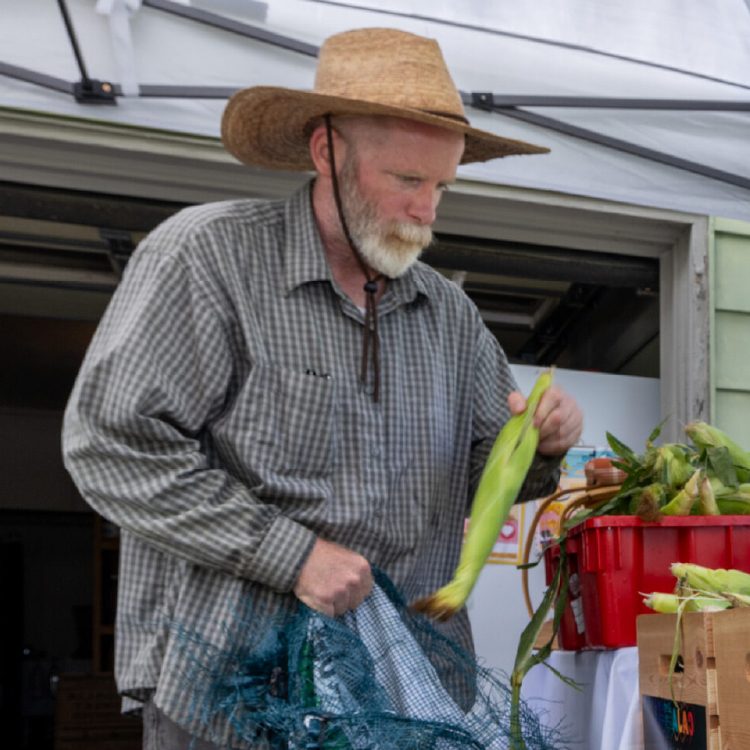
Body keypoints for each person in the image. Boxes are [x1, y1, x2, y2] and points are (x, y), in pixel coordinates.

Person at [63, 27, 583, 748]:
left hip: (401, 700)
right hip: (233, 692)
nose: (428, 211)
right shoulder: (210, 257)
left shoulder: (450, 316)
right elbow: (111, 446)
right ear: (326, 151)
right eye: (406, 180)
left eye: (441, 186)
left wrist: (540, 445)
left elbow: (479, 478)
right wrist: (294, 556)